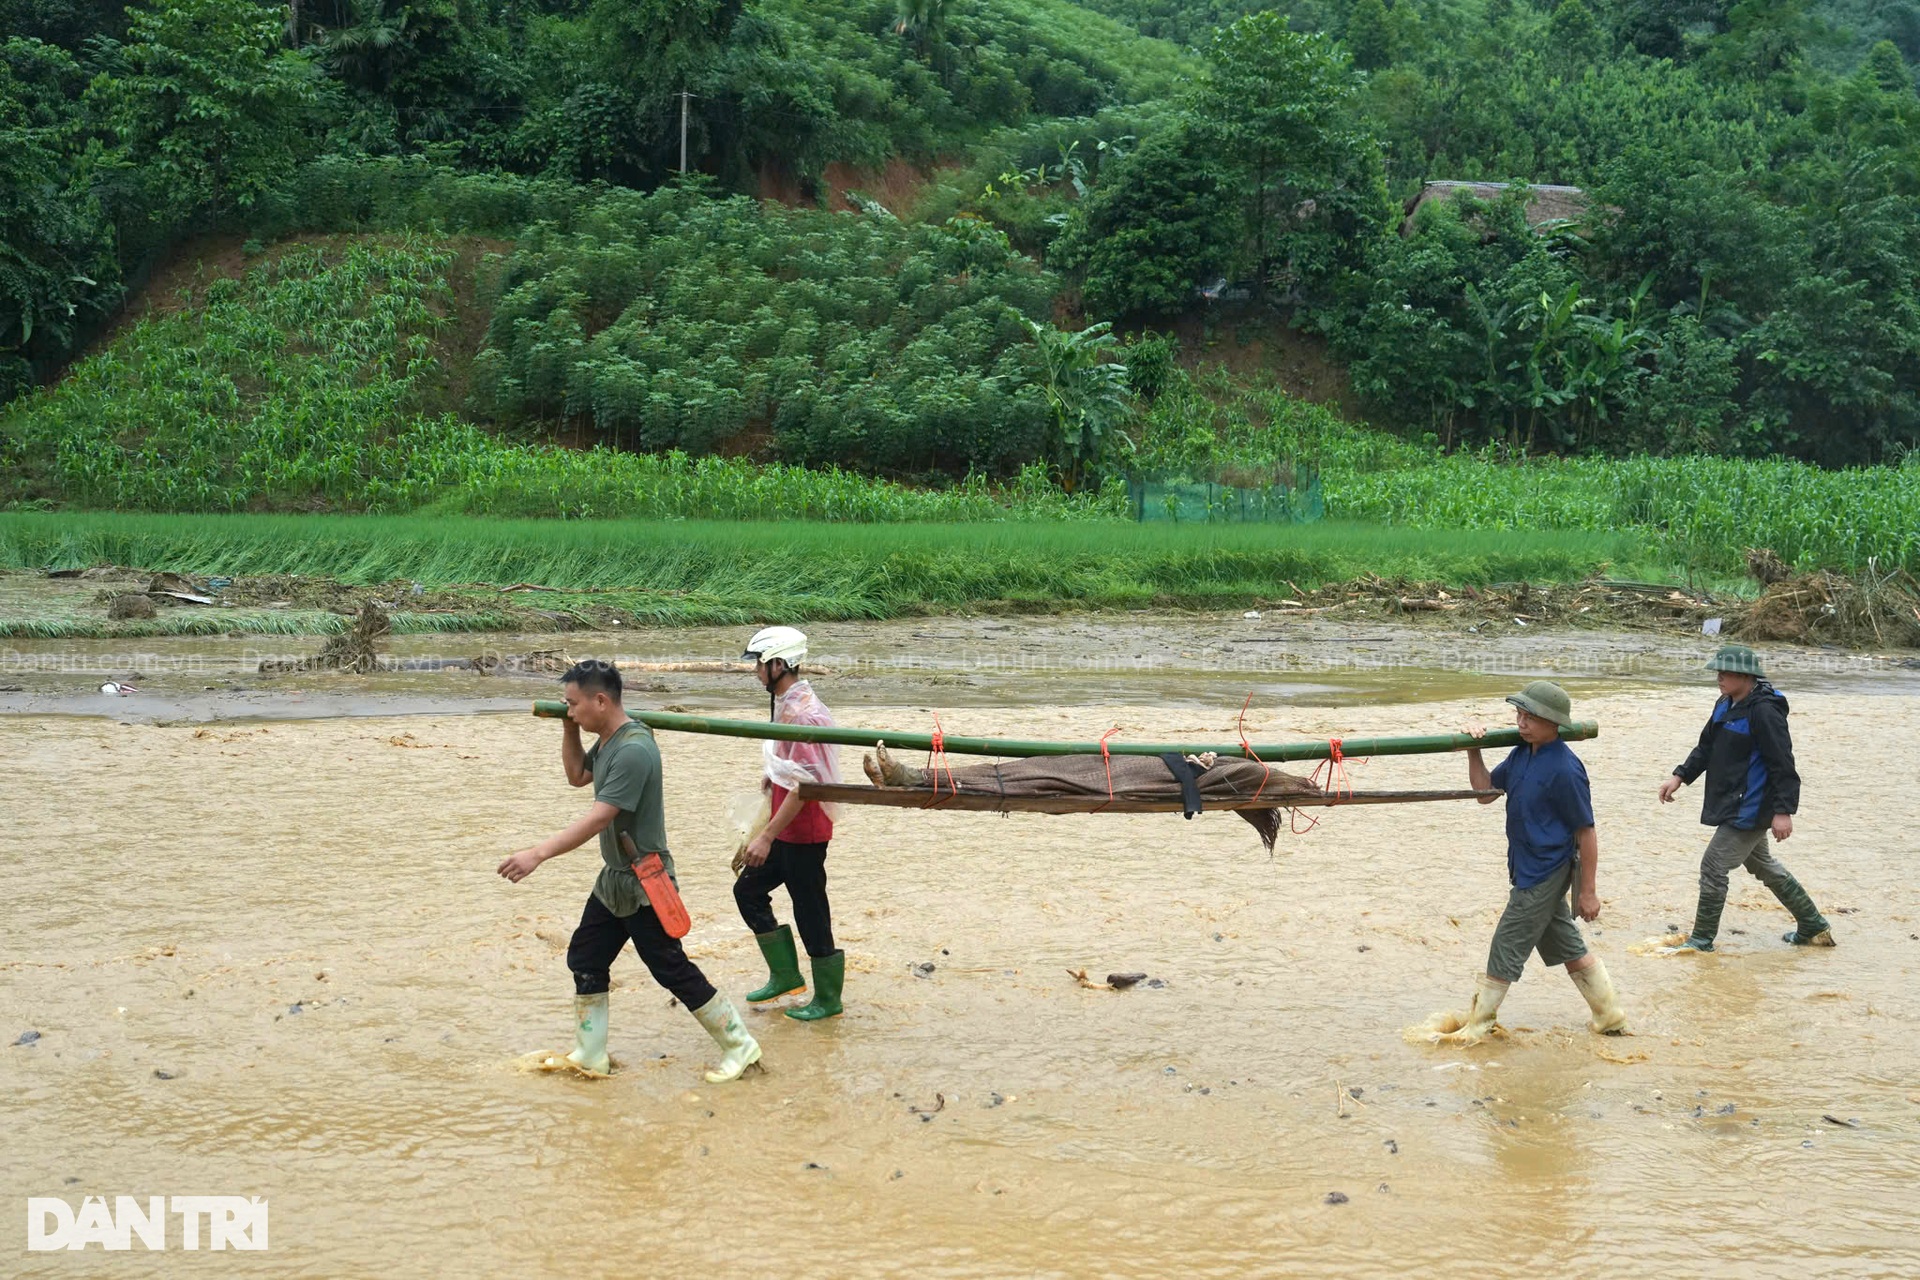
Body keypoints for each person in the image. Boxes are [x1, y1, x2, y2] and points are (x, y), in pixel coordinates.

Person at [497, 659, 761, 1083]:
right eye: (567, 705)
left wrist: (538, 854)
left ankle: (739, 1045)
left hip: (644, 879)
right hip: (615, 879)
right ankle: (590, 1053)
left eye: (575, 704)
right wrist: (568, 726)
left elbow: (601, 816)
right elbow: (576, 775)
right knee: (585, 957)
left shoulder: (634, 748)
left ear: (601, 701)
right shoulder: (607, 740)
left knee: (670, 968)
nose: (571, 710)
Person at [1428, 680, 1627, 1043]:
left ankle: (1478, 1025)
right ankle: (1609, 1015)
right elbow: (1484, 794)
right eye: (1519, 714)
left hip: (1546, 869)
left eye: (1530, 716)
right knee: (1566, 944)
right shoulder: (1522, 754)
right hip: (1525, 864)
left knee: (1507, 942)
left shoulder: (1565, 769)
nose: (1521, 722)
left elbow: (1587, 832)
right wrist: (1474, 750)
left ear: (1553, 723)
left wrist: (1589, 892)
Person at [1658, 645, 1833, 950]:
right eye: (1718, 672)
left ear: (1745, 676)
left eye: (1724, 672)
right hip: (1731, 800)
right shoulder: (1724, 703)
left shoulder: (1765, 711)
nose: (1719, 677)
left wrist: (1783, 811)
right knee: (1762, 864)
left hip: (1751, 806)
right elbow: (1706, 747)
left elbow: (1783, 763)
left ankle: (1701, 941)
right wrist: (1680, 776)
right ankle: (1813, 925)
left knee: (1713, 866)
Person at [732, 626, 846, 1022]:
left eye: (760, 665)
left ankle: (828, 999)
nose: (756, 673)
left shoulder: (805, 714)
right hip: (786, 828)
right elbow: (790, 769)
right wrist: (772, 778)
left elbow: (805, 786)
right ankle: (786, 975)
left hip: (803, 831)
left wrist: (765, 836)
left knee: (810, 911)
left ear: (779, 665)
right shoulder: (787, 703)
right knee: (747, 891)